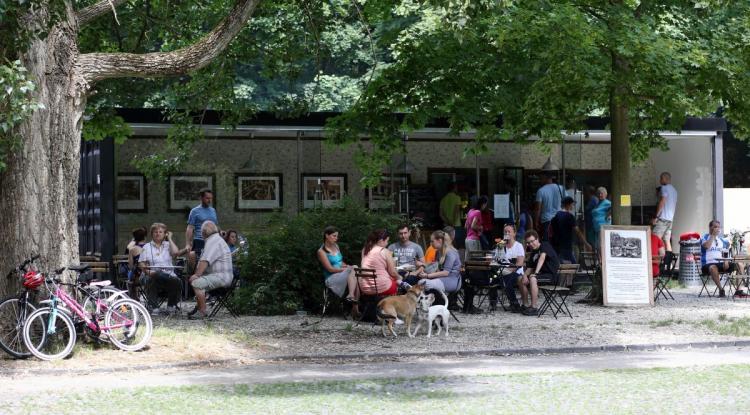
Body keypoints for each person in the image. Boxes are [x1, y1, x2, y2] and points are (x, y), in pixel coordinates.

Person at [138, 223, 187, 315]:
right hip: (150, 274)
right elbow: (141, 263)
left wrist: (170, 238)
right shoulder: (146, 247)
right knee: (153, 277)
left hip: (168, 276)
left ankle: (171, 305)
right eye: (155, 232)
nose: (158, 234)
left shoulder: (169, 245)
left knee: (177, 281)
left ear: (165, 234)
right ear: (152, 234)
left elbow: (176, 253)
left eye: (161, 232)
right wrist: (149, 272)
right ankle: (154, 306)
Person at [188, 221, 234, 319]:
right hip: (221, 276)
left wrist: (197, 274)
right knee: (197, 281)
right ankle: (200, 308)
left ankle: (202, 312)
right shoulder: (217, 239)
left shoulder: (213, 241)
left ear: (204, 232)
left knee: (196, 283)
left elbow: (205, 261)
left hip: (221, 277)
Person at [317, 226, 359, 310]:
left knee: (355, 271)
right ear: (326, 235)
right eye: (334, 236)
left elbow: (340, 262)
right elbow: (330, 269)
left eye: (337, 236)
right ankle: (351, 298)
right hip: (332, 277)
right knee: (354, 270)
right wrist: (346, 269)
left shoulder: (336, 246)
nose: (336, 238)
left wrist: (347, 266)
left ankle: (355, 306)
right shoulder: (321, 251)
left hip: (341, 273)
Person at [520, 230, 560, 316]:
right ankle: (526, 305)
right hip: (541, 276)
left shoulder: (544, 245)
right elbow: (529, 268)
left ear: (537, 239)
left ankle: (534, 307)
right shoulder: (533, 253)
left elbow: (542, 257)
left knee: (533, 278)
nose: (531, 244)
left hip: (551, 276)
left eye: (532, 241)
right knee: (522, 279)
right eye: (528, 242)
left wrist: (536, 273)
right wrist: (524, 275)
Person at [360, 229, 403, 297]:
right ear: (381, 241)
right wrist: (399, 277)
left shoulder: (365, 249)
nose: (387, 243)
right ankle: (392, 304)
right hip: (382, 287)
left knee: (391, 279)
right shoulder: (384, 251)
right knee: (397, 281)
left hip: (365, 288)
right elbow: (392, 272)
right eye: (387, 241)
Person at [417, 230, 462, 295]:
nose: (431, 243)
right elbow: (437, 268)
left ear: (440, 241)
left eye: (432, 241)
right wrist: (423, 267)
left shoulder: (450, 253)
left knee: (423, 283)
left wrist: (427, 276)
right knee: (419, 281)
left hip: (451, 281)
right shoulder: (438, 252)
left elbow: (445, 273)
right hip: (442, 279)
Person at [550, 197, 592, 263]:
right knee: (574, 265)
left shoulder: (556, 216)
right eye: (572, 204)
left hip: (556, 245)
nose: (573, 206)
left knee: (559, 264)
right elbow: (577, 231)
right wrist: (586, 243)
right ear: (568, 205)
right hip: (566, 245)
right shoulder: (570, 216)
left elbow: (551, 230)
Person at [185, 188, 218, 271]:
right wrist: (188, 244)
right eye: (207, 198)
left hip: (212, 241)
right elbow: (190, 228)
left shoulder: (213, 210)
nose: (209, 200)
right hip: (199, 240)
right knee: (196, 260)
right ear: (201, 198)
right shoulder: (194, 211)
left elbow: (216, 226)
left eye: (211, 198)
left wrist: (221, 233)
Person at [496, 224, 526, 313]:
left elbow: (520, 262)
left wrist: (509, 271)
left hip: (516, 271)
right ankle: (493, 302)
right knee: (493, 276)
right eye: (505, 232)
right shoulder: (500, 245)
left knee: (506, 278)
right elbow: (497, 260)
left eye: (509, 231)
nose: (507, 233)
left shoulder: (518, 246)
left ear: (514, 233)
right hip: (502, 270)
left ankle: (514, 303)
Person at [700, 220, 734, 298]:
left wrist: (726, 261)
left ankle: (739, 291)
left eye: (718, 227)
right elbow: (707, 246)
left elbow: (725, 252)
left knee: (740, 265)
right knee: (713, 267)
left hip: (720, 263)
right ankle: (721, 289)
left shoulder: (722, 240)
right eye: (715, 227)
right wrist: (712, 235)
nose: (717, 229)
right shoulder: (704, 237)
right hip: (707, 264)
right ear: (710, 227)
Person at [534, 173, 565, 241]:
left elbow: (538, 208)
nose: (540, 180)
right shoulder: (561, 188)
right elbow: (567, 204)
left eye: (541, 178)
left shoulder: (541, 190)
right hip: (560, 220)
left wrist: (536, 222)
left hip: (547, 222)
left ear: (546, 177)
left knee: (548, 245)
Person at [654, 172, 678, 252]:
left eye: (661, 178)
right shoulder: (674, 190)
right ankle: (669, 263)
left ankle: (659, 261)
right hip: (670, 220)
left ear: (666, 179)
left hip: (662, 219)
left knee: (655, 239)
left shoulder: (664, 188)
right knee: (667, 241)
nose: (660, 180)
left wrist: (656, 217)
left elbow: (662, 201)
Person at [440, 183, 464, 247]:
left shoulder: (443, 199)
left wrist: (447, 221)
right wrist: (453, 222)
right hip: (456, 225)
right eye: (456, 188)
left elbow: (441, 214)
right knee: (458, 245)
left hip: (446, 225)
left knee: (447, 244)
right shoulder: (457, 198)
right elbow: (456, 211)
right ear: (454, 188)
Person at [464, 196, 487, 262]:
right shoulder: (478, 212)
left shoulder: (470, 211)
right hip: (474, 240)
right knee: (477, 260)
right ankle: (476, 272)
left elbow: (465, 226)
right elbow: (473, 225)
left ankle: (467, 272)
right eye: (485, 205)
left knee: (468, 261)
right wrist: (480, 227)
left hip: (467, 239)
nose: (485, 207)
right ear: (482, 204)